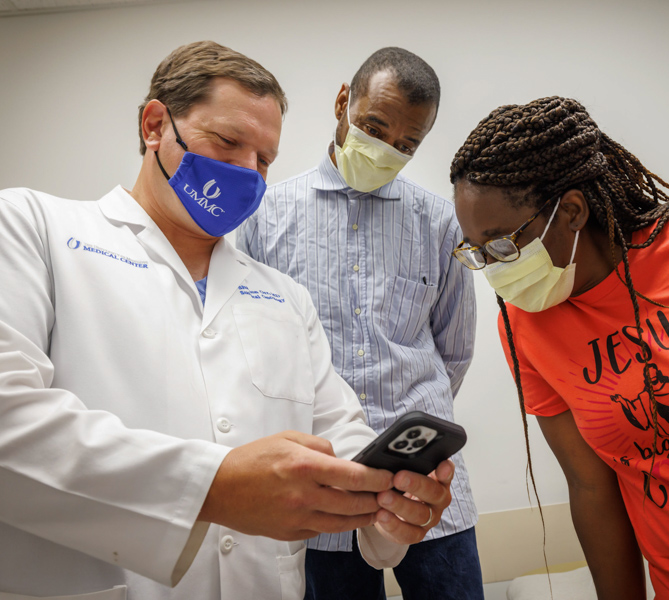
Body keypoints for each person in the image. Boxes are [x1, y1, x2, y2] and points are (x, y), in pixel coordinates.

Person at [0, 41, 456, 600]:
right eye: (228, 142)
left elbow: (342, 437)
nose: (248, 171)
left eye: (264, 159)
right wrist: (211, 488)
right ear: (154, 124)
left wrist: (390, 507)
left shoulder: (285, 298)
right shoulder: (32, 228)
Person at [449, 96, 669, 599]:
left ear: (571, 210)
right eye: (478, 251)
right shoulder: (526, 326)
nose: (494, 267)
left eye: (503, 243)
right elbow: (591, 488)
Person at [238, 47, 482, 600]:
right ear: (343, 102)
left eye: (406, 145)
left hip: (430, 489)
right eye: (374, 128)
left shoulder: (440, 222)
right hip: (321, 483)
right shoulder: (267, 215)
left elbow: (454, 351)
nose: (386, 150)